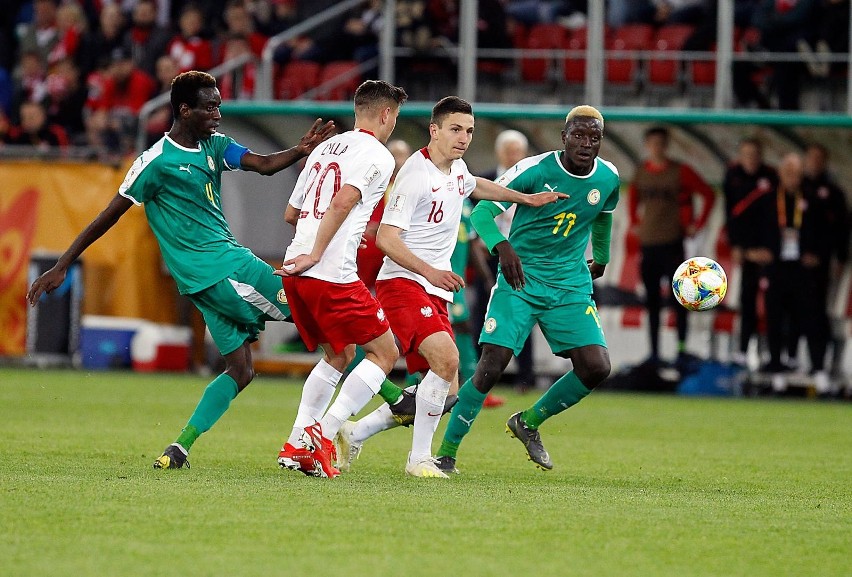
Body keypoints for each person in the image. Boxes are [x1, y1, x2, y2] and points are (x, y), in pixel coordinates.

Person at [26, 70, 336, 469]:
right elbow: (109, 215)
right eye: (210, 107)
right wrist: (62, 264)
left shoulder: (215, 146)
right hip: (228, 268)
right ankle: (386, 404)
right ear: (184, 110)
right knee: (328, 324)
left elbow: (261, 164)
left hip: (201, 283)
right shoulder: (155, 162)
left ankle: (179, 448)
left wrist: (299, 150)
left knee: (240, 370)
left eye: (219, 106)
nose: (218, 114)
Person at [333, 96, 564, 477]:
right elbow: (387, 239)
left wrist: (525, 198)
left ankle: (355, 431)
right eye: (456, 129)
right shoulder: (415, 174)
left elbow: (476, 185)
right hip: (405, 282)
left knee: (444, 392)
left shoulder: (456, 169)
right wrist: (430, 271)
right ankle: (418, 459)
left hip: (433, 288)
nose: (464, 138)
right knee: (448, 361)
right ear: (434, 130)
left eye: (470, 131)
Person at [435, 105, 620, 474]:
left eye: (594, 138)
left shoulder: (608, 176)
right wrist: (502, 247)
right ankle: (446, 454)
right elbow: (484, 213)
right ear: (563, 137)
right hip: (520, 279)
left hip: (569, 284)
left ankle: (528, 422)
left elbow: (602, 216)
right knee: (491, 366)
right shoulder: (534, 170)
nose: (586, 144)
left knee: (596, 367)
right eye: (579, 136)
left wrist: (600, 258)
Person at [275, 80, 409, 479]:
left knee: (339, 355)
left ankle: (297, 442)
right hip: (329, 272)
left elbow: (290, 213)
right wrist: (317, 251)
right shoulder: (377, 155)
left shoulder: (323, 149)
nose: (393, 125)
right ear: (385, 114)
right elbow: (343, 200)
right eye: (395, 118)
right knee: (385, 352)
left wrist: (307, 248)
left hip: (295, 272)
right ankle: (324, 434)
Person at [628, 126, 715, 370]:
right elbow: (633, 197)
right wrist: (635, 221)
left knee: (680, 298)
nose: (657, 148)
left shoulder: (680, 171)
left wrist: (697, 225)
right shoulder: (641, 172)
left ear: (666, 146)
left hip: (673, 242)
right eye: (652, 143)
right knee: (652, 301)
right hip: (649, 244)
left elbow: (708, 194)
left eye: (660, 143)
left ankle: (681, 350)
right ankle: (654, 352)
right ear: (647, 145)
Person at [475, 129, 531, 398]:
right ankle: (480, 376)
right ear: (499, 152)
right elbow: (472, 217)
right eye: (509, 150)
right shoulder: (484, 180)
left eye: (518, 150)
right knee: (481, 317)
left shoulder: (533, 180)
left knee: (523, 316)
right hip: (488, 254)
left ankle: (525, 376)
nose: (513, 155)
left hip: (521, 256)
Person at [722, 137, 777, 367]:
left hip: (772, 250)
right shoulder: (733, 177)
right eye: (747, 154)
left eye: (755, 154)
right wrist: (738, 247)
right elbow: (730, 215)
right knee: (748, 299)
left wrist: (773, 248)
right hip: (746, 250)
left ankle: (774, 355)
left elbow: (777, 216)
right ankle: (744, 350)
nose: (751, 159)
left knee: (775, 302)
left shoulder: (771, 177)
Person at [801, 143, 849, 394]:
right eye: (811, 158)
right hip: (790, 265)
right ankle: (786, 362)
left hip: (820, 265)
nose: (815, 163)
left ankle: (819, 364)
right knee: (788, 313)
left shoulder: (833, 193)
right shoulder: (793, 189)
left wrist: (839, 258)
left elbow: (841, 230)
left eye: (820, 158)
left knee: (818, 315)